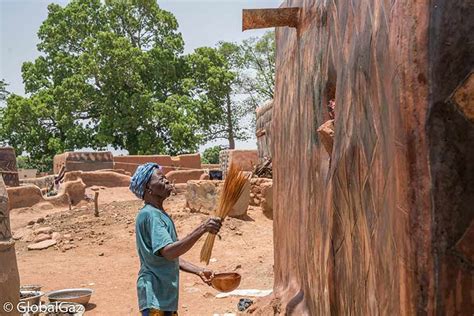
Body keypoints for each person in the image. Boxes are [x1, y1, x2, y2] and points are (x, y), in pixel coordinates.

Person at [129, 163, 222, 316]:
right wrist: (202, 228)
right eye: (161, 179)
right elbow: (169, 253)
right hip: (155, 295)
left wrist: (198, 271)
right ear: (148, 189)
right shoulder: (152, 215)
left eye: (165, 177)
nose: (166, 181)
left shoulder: (157, 214)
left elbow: (168, 256)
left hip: (163, 296)